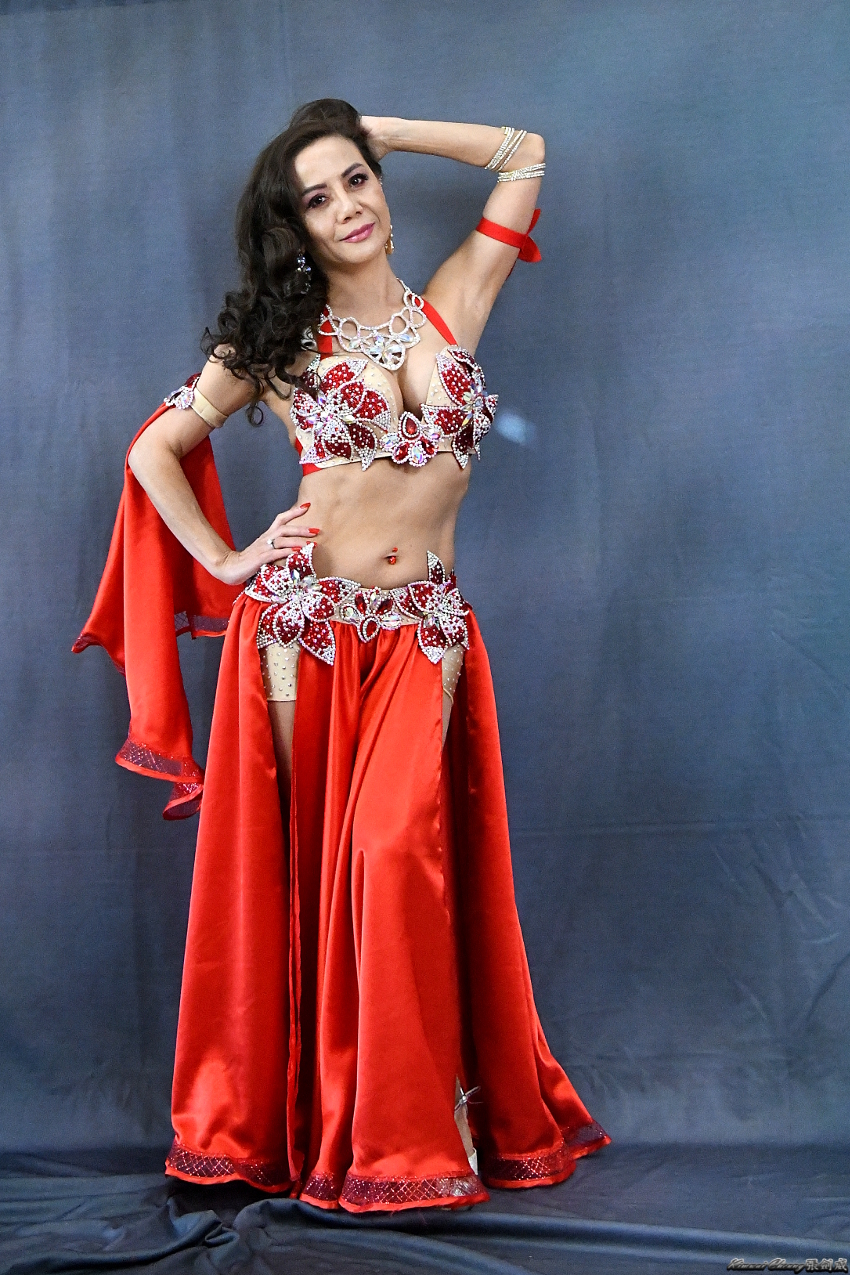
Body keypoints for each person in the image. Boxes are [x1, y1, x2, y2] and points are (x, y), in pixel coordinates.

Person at [75, 100, 609, 1213]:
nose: (347, 208)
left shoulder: (454, 304)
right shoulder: (278, 342)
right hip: (302, 632)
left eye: (356, 182)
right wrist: (225, 560)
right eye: (316, 199)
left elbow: (523, 157)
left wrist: (377, 128)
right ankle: (325, 1130)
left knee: (390, 852)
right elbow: (156, 448)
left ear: (382, 189)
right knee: (313, 873)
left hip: (423, 632)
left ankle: (399, 1132)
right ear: (298, 229)